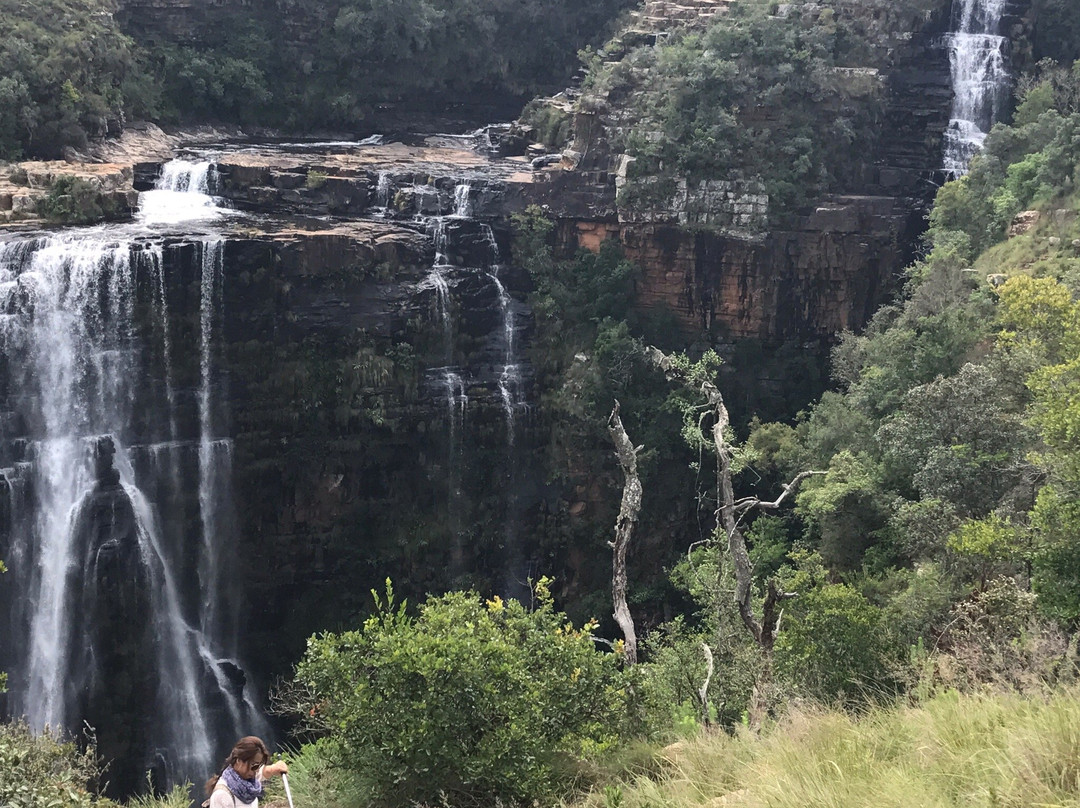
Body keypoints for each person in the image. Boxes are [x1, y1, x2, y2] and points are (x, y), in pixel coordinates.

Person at [204, 736, 289, 808]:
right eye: (254, 765)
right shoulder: (222, 795)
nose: (257, 770)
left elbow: (262, 773)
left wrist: (275, 768)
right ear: (238, 761)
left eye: (259, 766)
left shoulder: (246, 781)